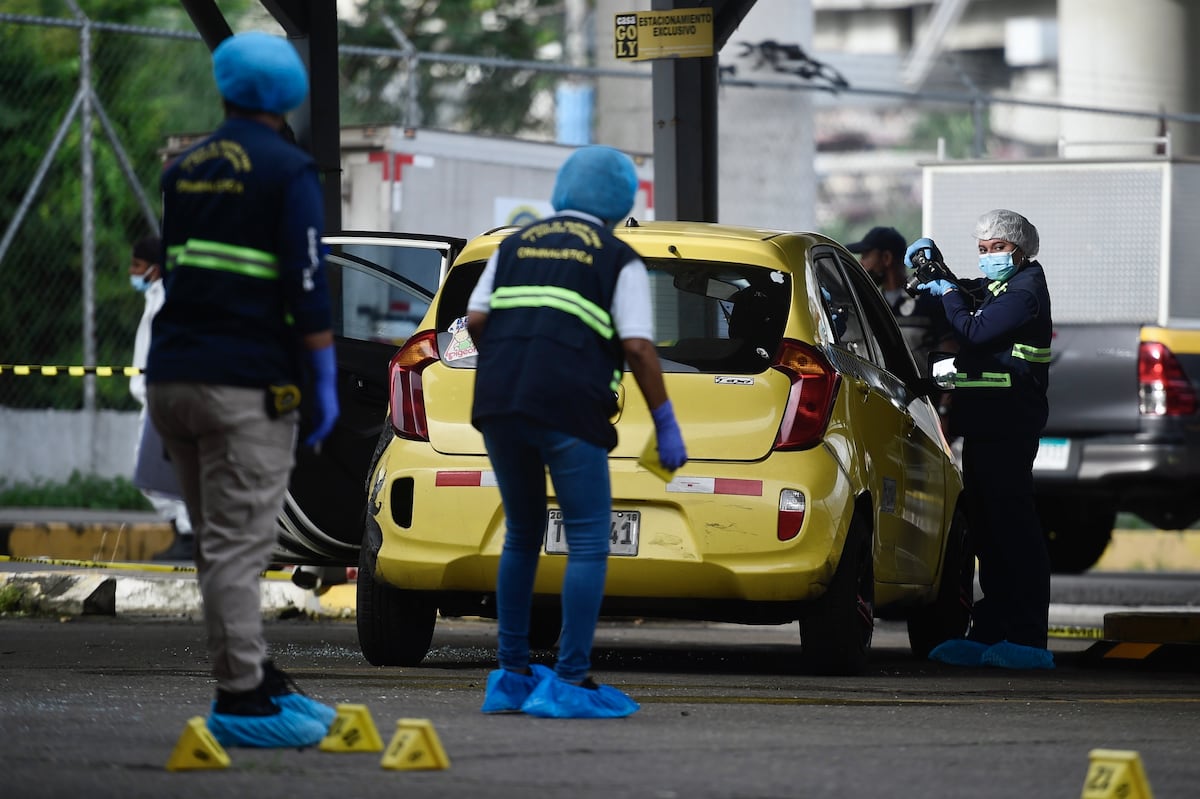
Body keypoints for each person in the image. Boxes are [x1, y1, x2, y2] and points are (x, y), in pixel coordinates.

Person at [146, 31, 341, 748]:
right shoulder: (289, 171)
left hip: (173, 377)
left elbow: (181, 268)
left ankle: (254, 675)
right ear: (288, 95)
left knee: (216, 545)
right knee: (240, 545)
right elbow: (309, 287)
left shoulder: (183, 169)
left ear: (226, 88)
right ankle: (242, 700)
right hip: (243, 381)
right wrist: (322, 380)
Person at [466, 145, 688, 719]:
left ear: (564, 190)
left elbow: (476, 318)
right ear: (620, 200)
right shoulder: (618, 258)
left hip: (498, 401)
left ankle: (510, 676)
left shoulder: (514, 243)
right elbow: (638, 345)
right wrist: (664, 422)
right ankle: (567, 680)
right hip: (567, 403)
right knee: (588, 538)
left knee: (521, 532)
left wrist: (517, 361)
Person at [905, 209, 1054, 670]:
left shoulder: (1025, 292)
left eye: (997, 250)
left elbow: (973, 327)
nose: (989, 258)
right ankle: (989, 631)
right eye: (983, 250)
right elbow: (973, 294)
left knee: (1015, 532)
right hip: (988, 425)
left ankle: (1027, 637)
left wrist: (947, 290)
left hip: (1011, 426)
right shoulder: (1002, 287)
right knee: (988, 533)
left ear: (1020, 251)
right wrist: (941, 274)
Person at [128, 235, 194, 560]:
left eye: (136, 266)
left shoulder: (166, 296)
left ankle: (187, 534)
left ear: (153, 268)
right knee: (150, 474)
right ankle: (181, 531)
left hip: (163, 395)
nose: (132, 272)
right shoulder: (155, 295)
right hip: (153, 395)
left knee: (160, 471)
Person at [847, 225, 954, 377]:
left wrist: (944, 400)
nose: (861, 263)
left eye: (865, 256)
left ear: (886, 258)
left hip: (927, 398)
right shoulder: (869, 306)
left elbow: (950, 349)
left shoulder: (929, 300)